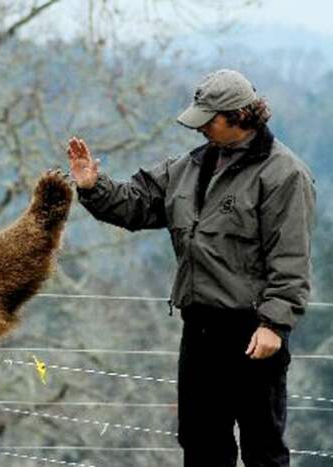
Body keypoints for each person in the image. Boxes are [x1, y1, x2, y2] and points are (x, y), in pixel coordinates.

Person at [67, 69, 316, 467]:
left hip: (253, 331)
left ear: (239, 116)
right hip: (199, 330)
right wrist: (93, 186)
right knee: (200, 443)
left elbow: (291, 258)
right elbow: (137, 203)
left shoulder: (284, 175)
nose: (199, 128)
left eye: (208, 120)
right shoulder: (187, 167)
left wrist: (274, 323)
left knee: (262, 449)